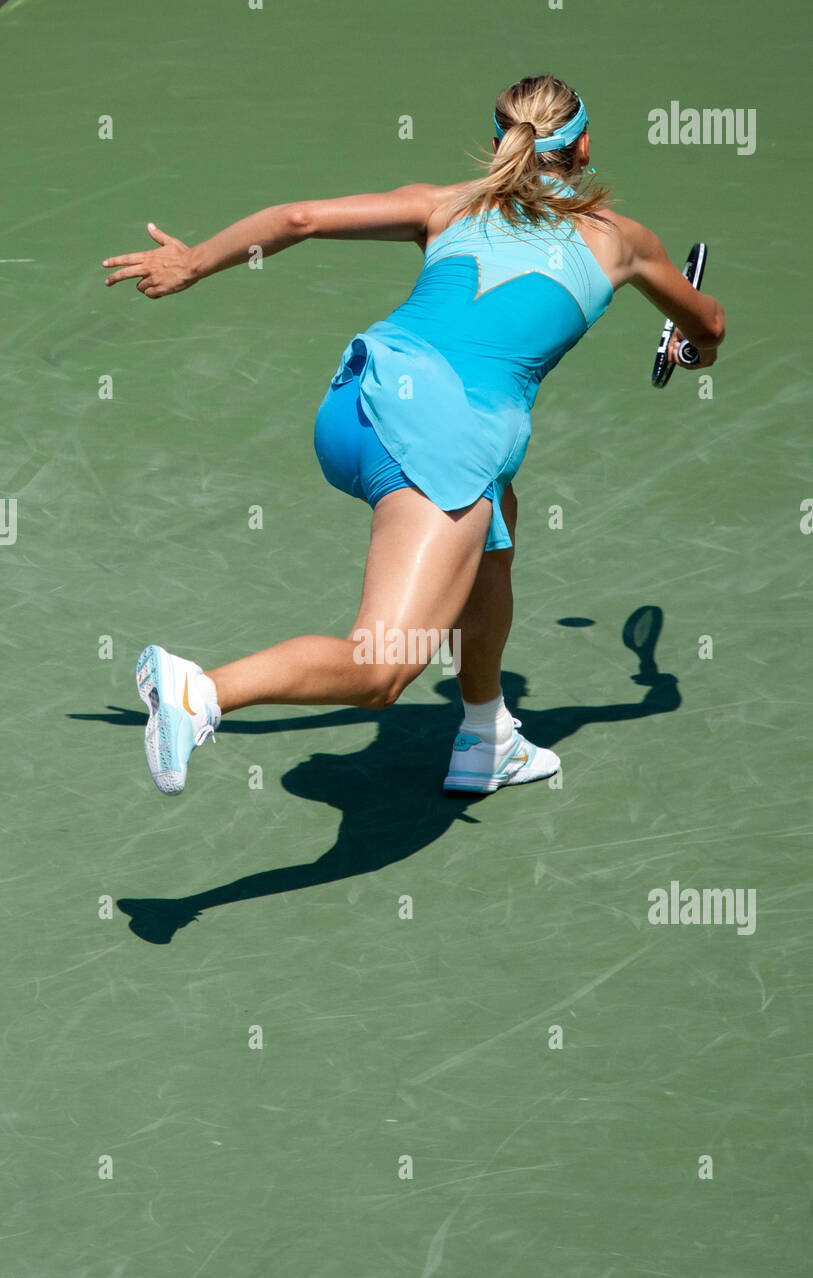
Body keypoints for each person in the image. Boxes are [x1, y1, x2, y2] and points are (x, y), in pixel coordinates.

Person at [103, 73, 725, 798]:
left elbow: (299, 218)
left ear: (501, 144)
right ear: (584, 146)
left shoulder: (443, 204)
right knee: (380, 670)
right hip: (440, 439)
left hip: (354, 406)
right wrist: (690, 351)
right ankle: (200, 692)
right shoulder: (622, 242)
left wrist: (193, 261)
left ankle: (485, 736)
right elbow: (707, 324)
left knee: (495, 522)